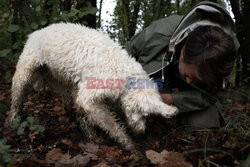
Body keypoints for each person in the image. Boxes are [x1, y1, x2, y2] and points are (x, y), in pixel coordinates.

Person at [125, 1, 239, 129]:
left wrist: (173, 99)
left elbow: (213, 96)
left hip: (195, 95)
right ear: (183, 52)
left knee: (204, 125)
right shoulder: (159, 33)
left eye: (196, 79)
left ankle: (180, 120)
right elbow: (124, 54)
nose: (189, 81)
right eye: (188, 75)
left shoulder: (225, 57)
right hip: (159, 76)